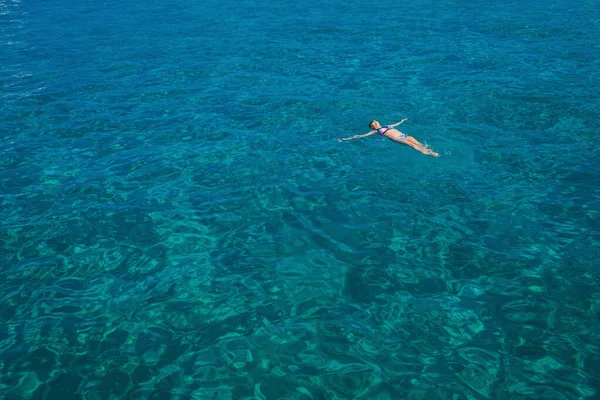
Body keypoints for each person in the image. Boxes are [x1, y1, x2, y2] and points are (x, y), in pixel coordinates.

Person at [338, 118, 439, 157]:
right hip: (396, 138)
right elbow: (360, 136)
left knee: (417, 143)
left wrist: (403, 120)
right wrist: (345, 139)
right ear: (373, 125)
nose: (376, 120)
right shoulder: (375, 131)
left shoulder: (386, 125)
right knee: (410, 144)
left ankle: (427, 150)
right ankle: (428, 153)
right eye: (374, 121)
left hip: (403, 135)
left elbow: (396, 124)